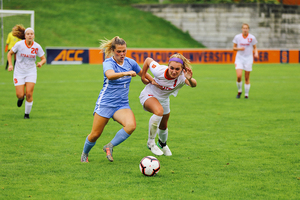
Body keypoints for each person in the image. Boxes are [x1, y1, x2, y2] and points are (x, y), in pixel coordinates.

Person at [81, 36, 153, 163]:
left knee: (131, 126)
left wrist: (156, 83)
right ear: (113, 51)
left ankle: (109, 146)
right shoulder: (109, 62)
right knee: (95, 135)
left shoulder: (131, 63)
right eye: (119, 51)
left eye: (124, 51)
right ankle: (85, 154)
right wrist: (125, 73)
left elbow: (144, 75)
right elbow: (109, 75)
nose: (122, 54)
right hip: (105, 103)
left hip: (121, 104)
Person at [139, 53, 197, 156]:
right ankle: (151, 142)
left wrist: (188, 78)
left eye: (177, 69)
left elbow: (194, 85)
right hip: (149, 94)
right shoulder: (159, 71)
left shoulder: (183, 77)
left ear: (182, 68)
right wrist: (143, 77)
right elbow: (148, 60)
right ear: (168, 65)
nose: (174, 71)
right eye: (172, 68)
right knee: (159, 112)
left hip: (164, 99)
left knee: (164, 124)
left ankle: (162, 143)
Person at [7, 25, 46, 119]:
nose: (30, 35)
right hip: (19, 72)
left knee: (29, 94)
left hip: (31, 72)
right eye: (28, 34)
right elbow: (10, 53)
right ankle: (21, 98)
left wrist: (41, 63)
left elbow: (43, 59)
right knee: (20, 94)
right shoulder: (19, 44)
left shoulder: (37, 46)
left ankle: (26, 114)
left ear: (34, 36)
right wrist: (10, 64)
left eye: (31, 34)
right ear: (25, 35)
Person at [233, 23, 258, 99]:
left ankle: (246, 94)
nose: (245, 29)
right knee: (239, 76)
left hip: (248, 59)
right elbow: (234, 48)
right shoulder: (237, 37)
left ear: (248, 29)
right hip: (239, 59)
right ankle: (239, 90)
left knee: (247, 77)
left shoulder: (252, 38)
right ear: (242, 29)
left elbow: (255, 47)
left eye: (246, 28)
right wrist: (239, 48)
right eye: (244, 28)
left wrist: (256, 53)